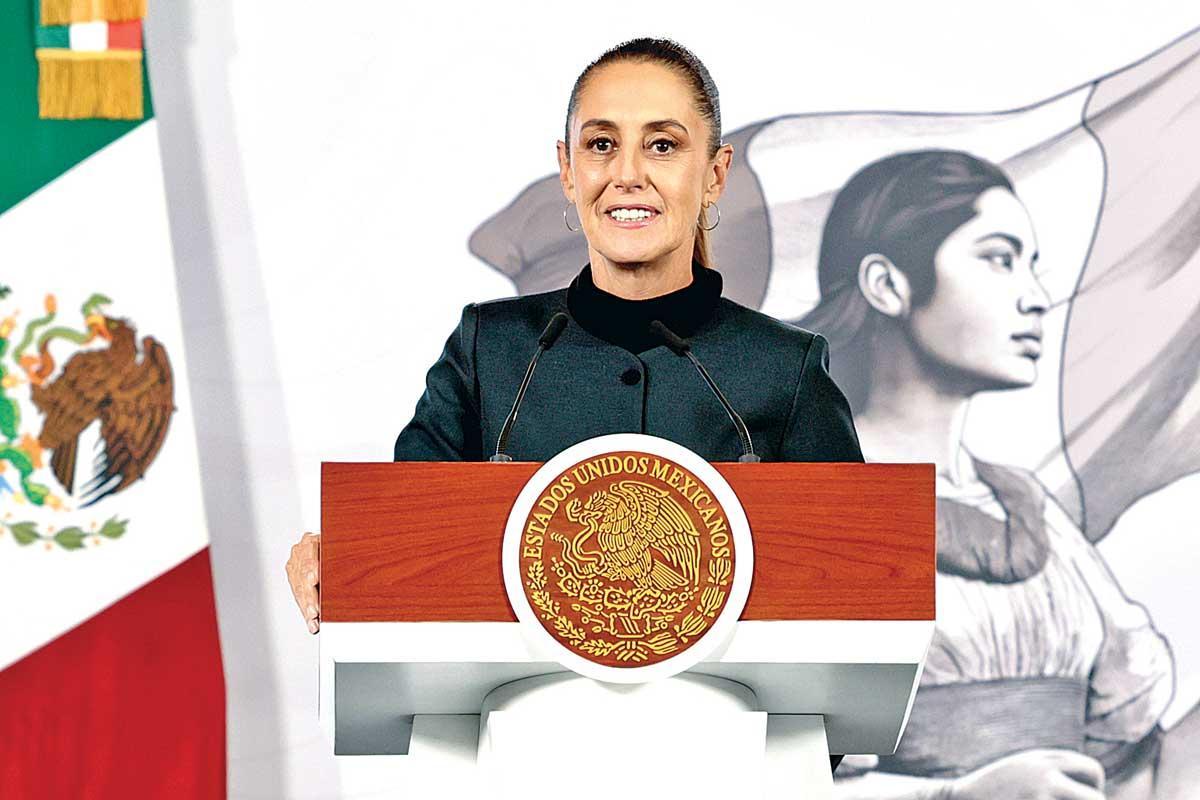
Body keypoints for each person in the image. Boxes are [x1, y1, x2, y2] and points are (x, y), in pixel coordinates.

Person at [285, 38, 862, 644]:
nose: (627, 175)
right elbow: (404, 545)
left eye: (662, 145)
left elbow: (855, 588)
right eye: (601, 145)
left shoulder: (785, 368)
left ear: (715, 174)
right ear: (567, 169)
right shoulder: (490, 352)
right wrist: (338, 558)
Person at [801, 150, 1174, 800]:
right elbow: (758, 764)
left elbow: (1128, 731)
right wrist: (957, 796)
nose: (1036, 298)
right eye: (1000, 259)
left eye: (1032, 266)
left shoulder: (1029, 507)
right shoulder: (816, 498)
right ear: (887, 284)